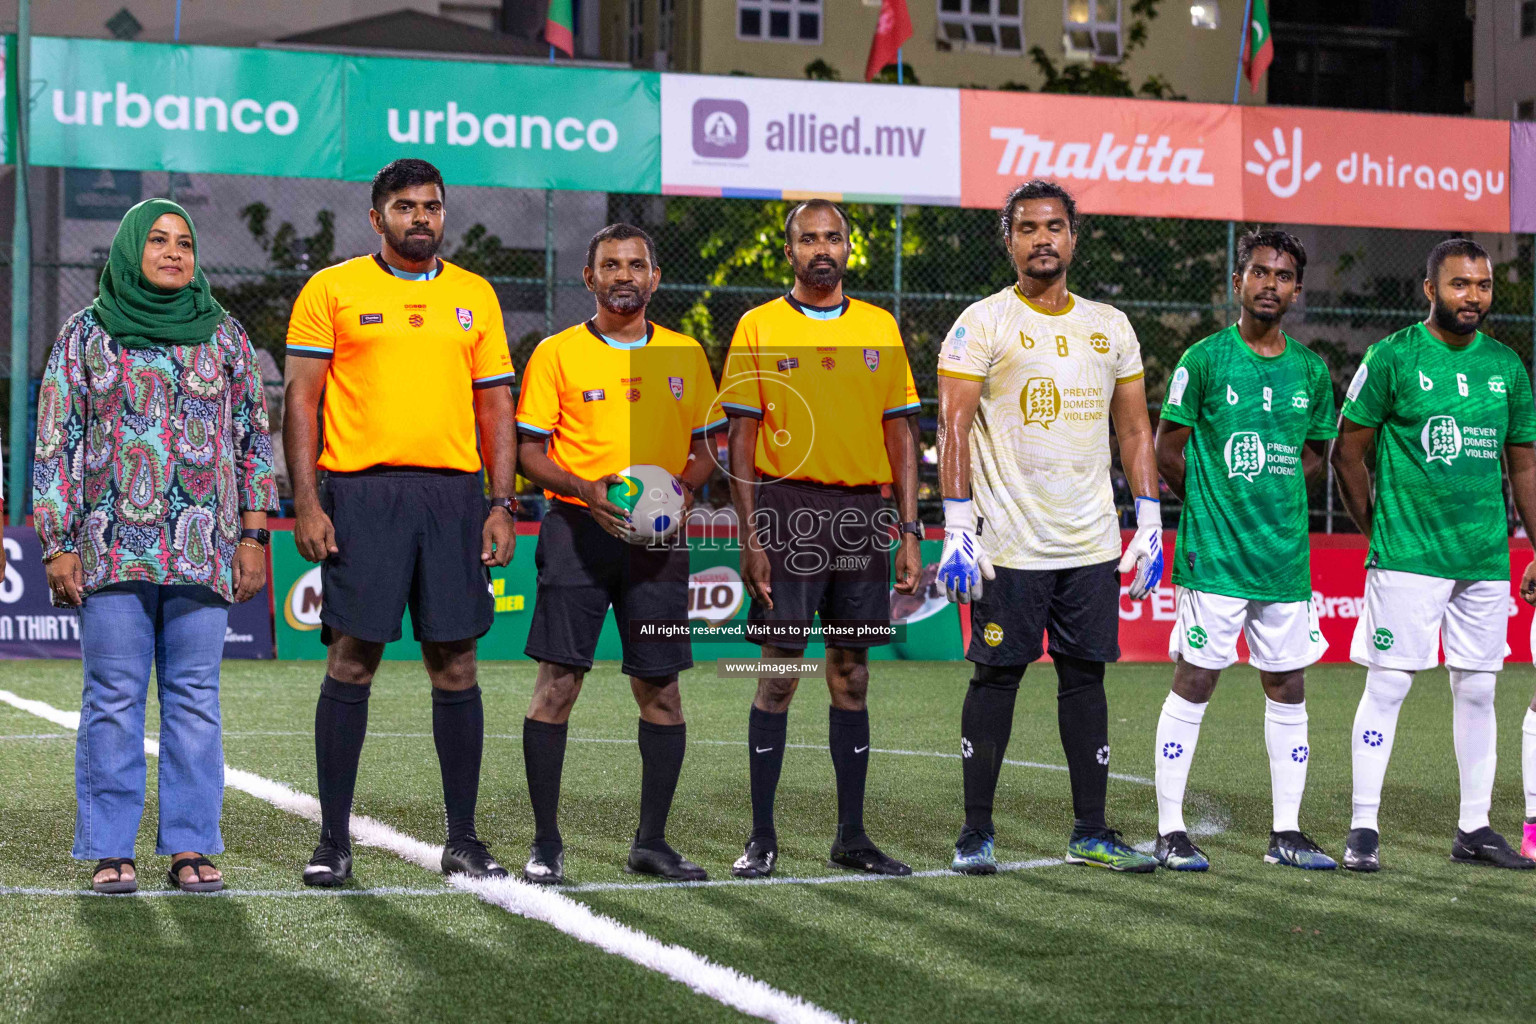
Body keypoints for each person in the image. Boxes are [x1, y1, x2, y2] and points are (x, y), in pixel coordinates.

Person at [33, 198, 278, 893]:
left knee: (195, 695)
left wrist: (255, 535)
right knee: (113, 695)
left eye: (185, 243)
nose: (174, 252)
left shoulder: (225, 337)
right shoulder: (86, 335)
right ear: (131, 249)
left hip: (204, 547)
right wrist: (57, 542)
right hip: (110, 547)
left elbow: (254, 442)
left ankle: (192, 845)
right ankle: (111, 848)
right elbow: (56, 441)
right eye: (159, 241)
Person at [283, 159, 517, 886]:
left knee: (457, 663)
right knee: (353, 659)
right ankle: (332, 842)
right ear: (377, 216)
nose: (422, 218)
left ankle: (465, 839)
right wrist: (309, 500)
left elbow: (496, 408)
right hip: (363, 495)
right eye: (407, 207)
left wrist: (501, 503)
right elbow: (301, 400)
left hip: (452, 498)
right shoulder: (333, 289)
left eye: (433, 207)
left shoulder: (475, 296)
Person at [935, 180, 1161, 875]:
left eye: (1054, 226)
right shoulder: (982, 322)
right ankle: (976, 832)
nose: (1042, 239)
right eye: (1027, 228)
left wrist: (1148, 520)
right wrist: (956, 527)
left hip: (1090, 542)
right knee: (996, 677)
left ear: (1073, 236)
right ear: (1008, 241)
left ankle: (1090, 831)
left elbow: (1133, 430)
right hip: (1008, 545)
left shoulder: (1111, 325)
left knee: (1085, 680)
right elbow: (953, 424)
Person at [719, 199, 922, 880]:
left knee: (852, 676)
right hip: (786, 508)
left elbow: (901, 434)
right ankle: (761, 838)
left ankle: (853, 838)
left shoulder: (879, 326)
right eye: (808, 238)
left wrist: (912, 532)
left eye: (832, 236)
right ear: (790, 251)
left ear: (847, 248)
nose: (821, 248)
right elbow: (739, 442)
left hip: (863, 514)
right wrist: (749, 536)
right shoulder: (760, 324)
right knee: (779, 676)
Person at [516, 223, 723, 885]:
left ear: (655, 278)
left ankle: (652, 843)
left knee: (660, 690)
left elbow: (708, 444)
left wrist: (685, 489)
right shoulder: (557, 354)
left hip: (659, 544)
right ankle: (547, 844)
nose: (624, 275)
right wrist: (583, 487)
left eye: (636, 264)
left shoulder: (687, 354)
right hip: (576, 533)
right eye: (611, 265)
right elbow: (526, 451)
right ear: (590, 277)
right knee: (557, 688)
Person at [1333, 238, 1536, 872]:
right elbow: (1348, 451)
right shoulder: (1392, 357)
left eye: (1482, 286)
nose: (1472, 297)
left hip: (1482, 557)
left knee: (1479, 690)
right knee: (1389, 684)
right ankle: (1363, 827)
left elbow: (1524, 464)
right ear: (1429, 289)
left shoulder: (1507, 367)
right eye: (1459, 285)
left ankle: (1473, 827)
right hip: (1408, 555)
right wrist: (1378, 529)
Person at [1151, 231, 1337, 871]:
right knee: (1196, 678)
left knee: (1288, 684)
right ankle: (1170, 829)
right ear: (1238, 282)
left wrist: (1275, 500)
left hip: (1283, 559)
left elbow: (1316, 455)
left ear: (1297, 290)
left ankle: (1286, 833)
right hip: (1217, 554)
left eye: (1283, 275)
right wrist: (1209, 501)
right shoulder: (1202, 360)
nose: (1270, 284)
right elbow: (1167, 449)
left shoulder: (1312, 372)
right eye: (1259, 272)